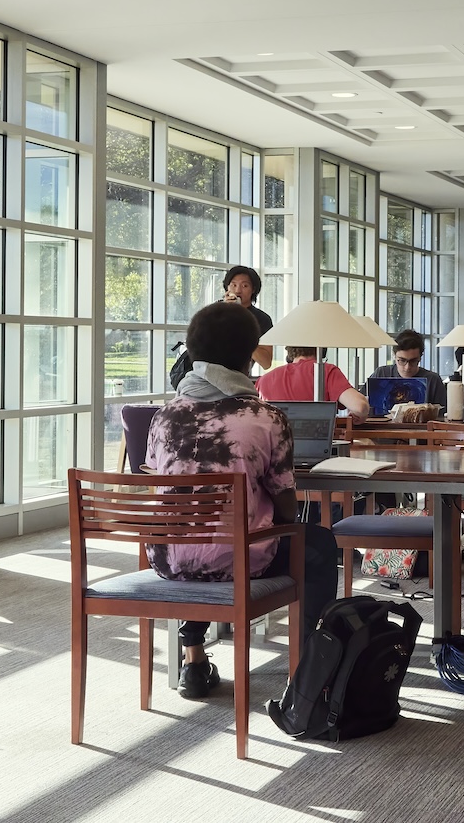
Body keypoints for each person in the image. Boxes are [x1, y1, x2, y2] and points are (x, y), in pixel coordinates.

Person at [147, 301, 340, 700]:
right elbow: (286, 505)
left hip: (169, 555)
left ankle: (194, 659)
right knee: (318, 544)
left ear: (192, 351)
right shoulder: (266, 417)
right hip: (241, 558)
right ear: (248, 354)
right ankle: (308, 674)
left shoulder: (165, 416)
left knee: (200, 539)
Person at [170, 266, 275, 384]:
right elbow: (200, 342)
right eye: (233, 285)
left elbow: (266, 363)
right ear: (227, 287)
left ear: (254, 289)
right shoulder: (214, 312)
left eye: (245, 286)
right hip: (206, 376)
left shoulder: (262, 319)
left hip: (238, 379)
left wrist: (242, 330)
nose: (238, 290)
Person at [256, 346, 369, 417]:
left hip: (274, 450)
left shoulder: (263, 380)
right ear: (321, 349)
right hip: (318, 449)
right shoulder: (326, 371)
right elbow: (360, 406)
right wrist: (360, 415)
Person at [368, 330, 447, 397]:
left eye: (413, 361)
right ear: (394, 356)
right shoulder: (381, 374)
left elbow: (443, 414)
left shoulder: (433, 380)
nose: (407, 367)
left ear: (420, 357)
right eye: (402, 360)